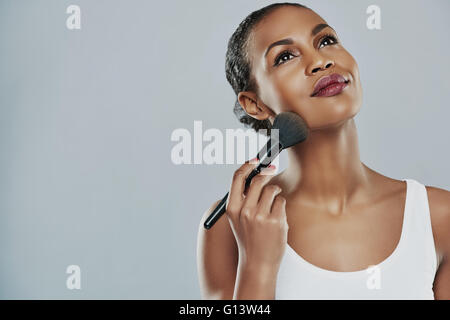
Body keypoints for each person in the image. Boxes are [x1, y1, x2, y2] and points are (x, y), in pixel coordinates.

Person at [197, 2, 450, 299]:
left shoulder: (437, 217)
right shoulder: (229, 226)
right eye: (285, 56)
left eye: (326, 41)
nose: (320, 61)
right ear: (255, 104)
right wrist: (258, 267)